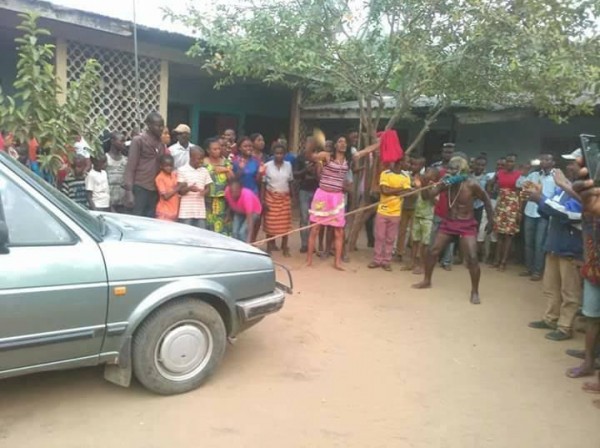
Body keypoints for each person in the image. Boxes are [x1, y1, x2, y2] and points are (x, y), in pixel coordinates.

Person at [413, 155, 494, 304]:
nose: (449, 171)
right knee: (433, 251)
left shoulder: (472, 184)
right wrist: (424, 183)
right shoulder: (446, 183)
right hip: (449, 222)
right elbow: (427, 196)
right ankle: (427, 280)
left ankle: (475, 291)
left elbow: (486, 200)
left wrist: (491, 220)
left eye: (453, 169)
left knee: (472, 258)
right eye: (449, 168)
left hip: (466, 224)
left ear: (462, 170)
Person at [525, 159, 582, 341]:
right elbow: (552, 209)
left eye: (573, 163)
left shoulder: (582, 193)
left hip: (570, 247)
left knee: (569, 290)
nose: (568, 167)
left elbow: (569, 214)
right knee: (551, 286)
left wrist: (540, 199)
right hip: (555, 244)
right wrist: (540, 198)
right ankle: (551, 319)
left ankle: (565, 327)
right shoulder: (565, 189)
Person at [306, 135, 379, 271]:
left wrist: (379, 143)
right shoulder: (326, 156)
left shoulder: (350, 159)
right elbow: (310, 155)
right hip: (322, 196)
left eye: (345, 142)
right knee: (315, 228)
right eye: (340, 141)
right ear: (335, 144)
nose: (343, 144)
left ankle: (337, 262)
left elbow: (367, 150)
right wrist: (312, 143)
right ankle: (309, 260)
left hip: (337, 198)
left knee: (339, 231)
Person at [368, 158, 412, 271]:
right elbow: (384, 191)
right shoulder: (385, 173)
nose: (408, 164)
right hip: (382, 210)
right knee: (379, 237)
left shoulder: (406, 176)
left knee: (390, 238)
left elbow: (407, 193)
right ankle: (377, 260)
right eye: (406, 161)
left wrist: (392, 189)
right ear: (400, 162)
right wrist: (400, 189)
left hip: (396, 212)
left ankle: (386, 261)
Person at [518, 154, 556, 281]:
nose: (544, 161)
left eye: (548, 159)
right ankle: (528, 268)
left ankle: (537, 271)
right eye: (543, 159)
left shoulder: (556, 177)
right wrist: (525, 171)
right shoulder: (533, 175)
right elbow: (519, 184)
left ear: (553, 162)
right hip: (530, 211)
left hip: (544, 214)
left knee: (540, 243)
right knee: (528, 242)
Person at [124, 112, 167, 217]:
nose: (161, 128)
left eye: (162, 125)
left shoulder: (161, 143)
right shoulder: (138, 140)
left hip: (155, 188)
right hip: (140, 187)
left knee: (150, 220)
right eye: (158, 125)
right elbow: (130, 167)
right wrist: (129, 191)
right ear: (149, 125)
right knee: (137, 219)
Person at [401, 158, 434, 274]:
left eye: (429, 173)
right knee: (415, 241)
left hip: (427, 218)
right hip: (417, 214)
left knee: (425, 244)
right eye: (426, 173)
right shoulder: (419, 181)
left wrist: (424, 186)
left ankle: (422, 265)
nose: (426, 175)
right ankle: (412, 263)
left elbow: (430, 198)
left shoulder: (433, 186)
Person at [261, 143, 294, 256]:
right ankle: (269, 246)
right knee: (270, 223)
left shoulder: (289, 165)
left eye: (281, 153)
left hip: (285, 197)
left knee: (285, 224)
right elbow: (263, 184)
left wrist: (293, 197)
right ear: (273, 154)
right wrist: (263, 200)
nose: (279, 155)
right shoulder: (267, 166)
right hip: (270, 197)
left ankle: (285, 247)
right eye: (276, 153)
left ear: (285, 154)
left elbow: (290, 181)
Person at [491, 153, 522, 271]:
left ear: (515, 163)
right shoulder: (499, 173)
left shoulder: (519, 175)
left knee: (508, 236)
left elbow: (520, 194)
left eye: (512, 161)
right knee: (499, 235)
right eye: (508, 161)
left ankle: (503, 262)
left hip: (513, 205)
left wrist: (519, 211)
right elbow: (490, 185)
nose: (509, 163)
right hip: (501, 204)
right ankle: (496, 260)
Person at [294, 137, 319, 253]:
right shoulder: (300, 158)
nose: (311, 144)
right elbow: (295, 174)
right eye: (309, 142)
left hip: (317, 191)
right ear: (304, 144)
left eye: (313, 142)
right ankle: (304, 244)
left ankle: (311, 244)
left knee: (314, 219)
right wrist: (306, 169)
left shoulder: (319, 157)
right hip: (304, 190)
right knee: (304, 218)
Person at [204, 137, 234, 235]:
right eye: (214, 149)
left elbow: (233, 181)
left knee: (222, 226)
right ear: (208, 150)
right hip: (207, 200)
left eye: (219, 148)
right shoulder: (203, 163)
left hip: (223, 200)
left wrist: (226, 170)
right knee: (208, 226)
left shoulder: (226, 163)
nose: (218, 151)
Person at [177, 147, 212, 228]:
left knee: (200, 235)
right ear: (191, 157)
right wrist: (189, 188)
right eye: (198, 159)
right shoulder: (182, 170)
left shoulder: (204, 171)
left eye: (202, 159)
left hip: (200, 212)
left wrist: (204, 192)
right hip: (185, 212)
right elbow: (180, 191)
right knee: (186, 235)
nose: (201, 161)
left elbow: (208, 188)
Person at [225, 178, 262, 243]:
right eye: (231, 192)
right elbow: (229, 203)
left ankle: (246, 249)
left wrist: (249, 240)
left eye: (235, 192)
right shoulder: (227, 191)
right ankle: (236, 249)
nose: (233, 194)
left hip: (253, 212)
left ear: (240, 190)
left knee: (242, 232)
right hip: (239, 210)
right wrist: (228, 215)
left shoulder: (247, 196)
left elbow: (250, 221)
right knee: (234, 232)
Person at [396, 156, 417, 259]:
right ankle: (399, 252)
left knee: (414, 232)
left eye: (414, 165)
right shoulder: (404, 175)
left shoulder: (420, 177)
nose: (412, 166)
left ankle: (413, 255)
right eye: (411, 164)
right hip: (404, 206)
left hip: (415, 208)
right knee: (402, 231)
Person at [155, 154, 183, 222]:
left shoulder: (174, 175)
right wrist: (178, 187)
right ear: (161, 166)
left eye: (171, 166)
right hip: (164, 213)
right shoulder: (160, 178)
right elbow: (165, 196)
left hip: (174, 212)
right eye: (166, 166)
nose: (169, 168)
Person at [105, 132, 128, 213]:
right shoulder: (105, 159)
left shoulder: (125, 160)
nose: (123, 144)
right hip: (108, 201)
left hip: (122, 202)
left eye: (124, 141)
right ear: (112, 141)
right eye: (121, 141)